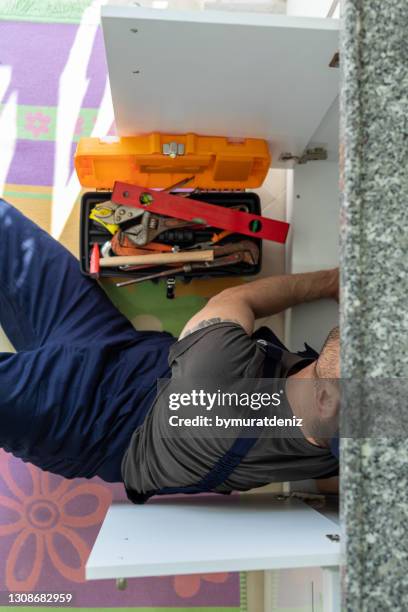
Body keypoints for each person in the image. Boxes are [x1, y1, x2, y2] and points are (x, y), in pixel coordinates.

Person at [0, 200, 340, 503]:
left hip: (79, 420)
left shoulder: (218, 378)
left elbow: (236, 300)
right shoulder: (335, 447)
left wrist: (330, 283)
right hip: (114, 347)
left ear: (325, 398)